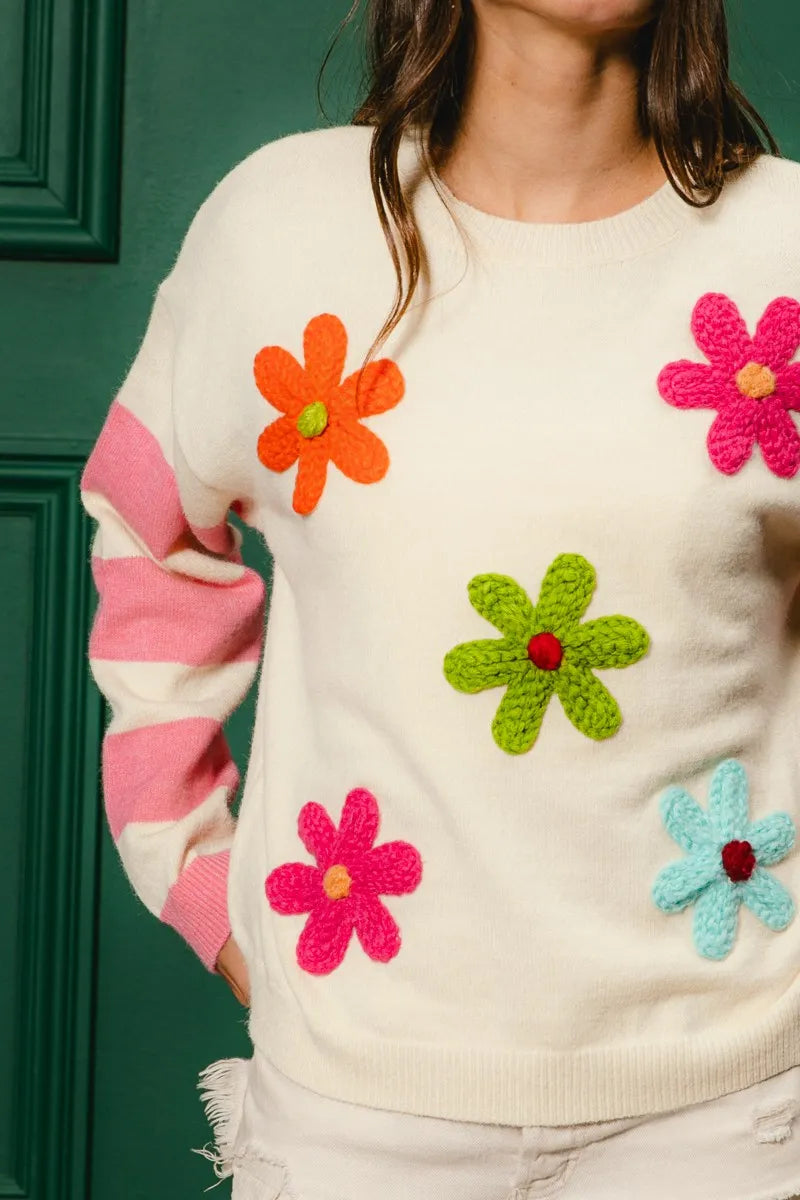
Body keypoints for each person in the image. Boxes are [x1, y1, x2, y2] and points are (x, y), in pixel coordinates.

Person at [79, 0, 800, 1196]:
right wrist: (197, 875)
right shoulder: (280, 230)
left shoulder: (781, 249)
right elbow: (152, 539)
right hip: (357, 1100)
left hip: (722, 1107)